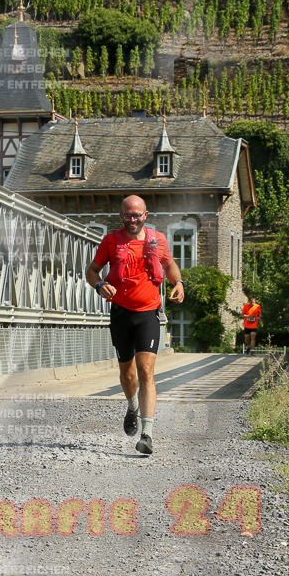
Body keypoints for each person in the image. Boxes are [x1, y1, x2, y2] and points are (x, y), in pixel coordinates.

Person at [85, 195, 184, 455]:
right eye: (128, 215)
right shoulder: (111, 241)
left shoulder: (157, 240)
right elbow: (92, 270)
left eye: (137, 214)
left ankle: (147, 434)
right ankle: (132, 407)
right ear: (121, 216)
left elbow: (170, 263)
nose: (132, 219)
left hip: (148, 314)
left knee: (146, 371)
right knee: (128, 374)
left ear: (145, 215)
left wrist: (178, 282)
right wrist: (98, 285)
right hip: (120, 314)